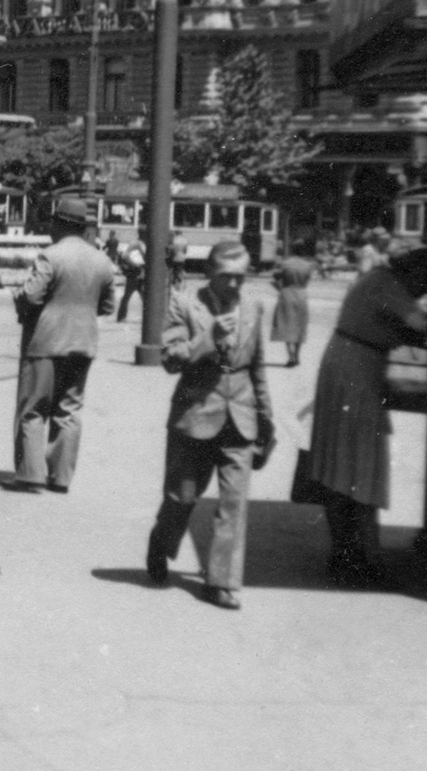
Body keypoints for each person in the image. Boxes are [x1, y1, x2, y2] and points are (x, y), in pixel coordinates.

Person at [308, 246, 427, 589]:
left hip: (347, 364)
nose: (423, 293)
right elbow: (423, 325)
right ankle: (363, 558)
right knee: (361, 467)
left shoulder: (375, 279)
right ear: (417, 273)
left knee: (340, 467)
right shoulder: (389, 285)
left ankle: (345, 552)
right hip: (356, 371)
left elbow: (393, 325)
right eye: (426, 285)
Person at [145, 240, 276, 611]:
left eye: (241, 277)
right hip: (195, 417)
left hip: (242, 418)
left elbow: (259, 368)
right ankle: (161, 540)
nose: (235, 285)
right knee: (181, 497)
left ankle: (222, 582)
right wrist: (208, 338)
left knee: (234, 504)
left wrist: (267, 421)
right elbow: (170, 359)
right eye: (226, 278)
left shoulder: (253, 307)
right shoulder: (184, 303)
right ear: (209, 274)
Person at [9, 196, 116, 493]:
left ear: (59, 224)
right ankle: (60, 477)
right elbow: (108, 306)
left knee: (33, 407)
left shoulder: (51, 256)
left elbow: (31, 295)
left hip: (45, 342)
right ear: (83, 229)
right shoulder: (102, 261)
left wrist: (20, 295)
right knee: (68, 410)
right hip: (83, 343)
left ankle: (30, 475)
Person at [270, 243, 317, 367]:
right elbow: (306, 281)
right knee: (299, 326)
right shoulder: (307, 265)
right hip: (301, 295)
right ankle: (297, 355)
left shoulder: (285, 263)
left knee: (286, 324)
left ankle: (290, 356)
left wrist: (279, 288)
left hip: (286, 294)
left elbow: (275, 278)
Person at [115, 238, 145, 323]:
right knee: (129, 295)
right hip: (136, 271)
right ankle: (121, 317)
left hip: (140, 272)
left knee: (143, 296)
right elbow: (125, 256)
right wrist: (136, 266)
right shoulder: (136, 244)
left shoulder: (141, 244)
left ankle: (121, 317)